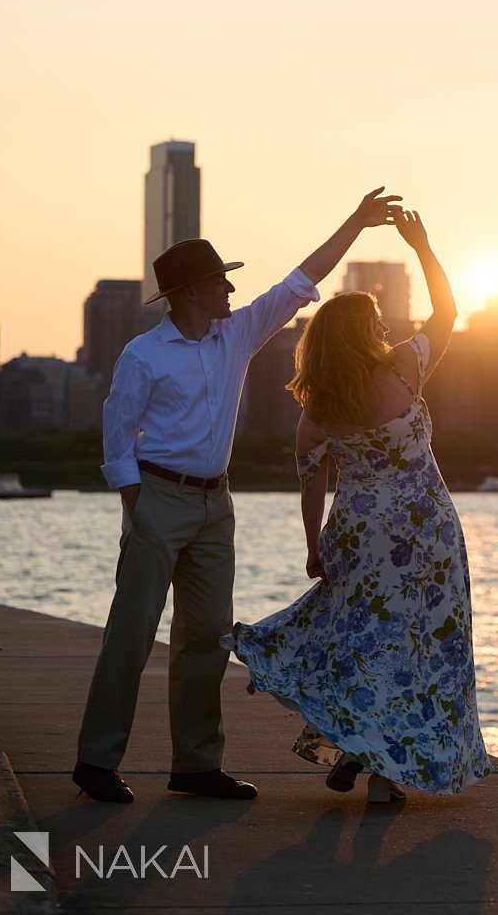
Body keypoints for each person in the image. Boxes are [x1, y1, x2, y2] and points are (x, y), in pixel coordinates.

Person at [73, 187, 401, 804]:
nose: (229, 290)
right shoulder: (142, 356)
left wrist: (357, 220)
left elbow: (302, 279)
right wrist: (137, 509)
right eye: (219, 282)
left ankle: (195, 766)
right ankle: (95, 761)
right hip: (159, 500)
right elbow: (118, 441)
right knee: (132, 632)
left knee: (207, 637)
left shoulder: (238, 335)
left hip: (216, 504)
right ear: (190, 292)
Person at [222, 208, 492, 802]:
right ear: (364, 333)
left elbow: (310, 481)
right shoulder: (404, 369)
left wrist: (313, 543)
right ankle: (385, 775)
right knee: (421, 644)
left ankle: (354, 745)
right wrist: (422, 245)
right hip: (427, 531)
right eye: (375, 320)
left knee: (363, 638)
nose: (383, 327)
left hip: (360, 531)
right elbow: (447, 310)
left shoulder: (316, 408)